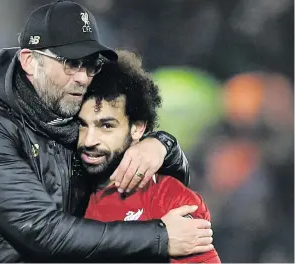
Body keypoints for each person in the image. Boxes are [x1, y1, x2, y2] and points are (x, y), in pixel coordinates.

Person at [0, 1, 212, 262]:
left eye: (90, 65)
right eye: (70, 63)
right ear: (29, 61)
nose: (83, 78)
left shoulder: (70, 110)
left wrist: (160, 146)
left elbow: (153, 183)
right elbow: (42, 230)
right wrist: (161, 237)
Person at [79, 50, 220, 263]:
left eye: (106, 126)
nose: (89, 140)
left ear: (137, 128)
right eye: (82, 125)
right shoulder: (57, 188)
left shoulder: (171, 199)